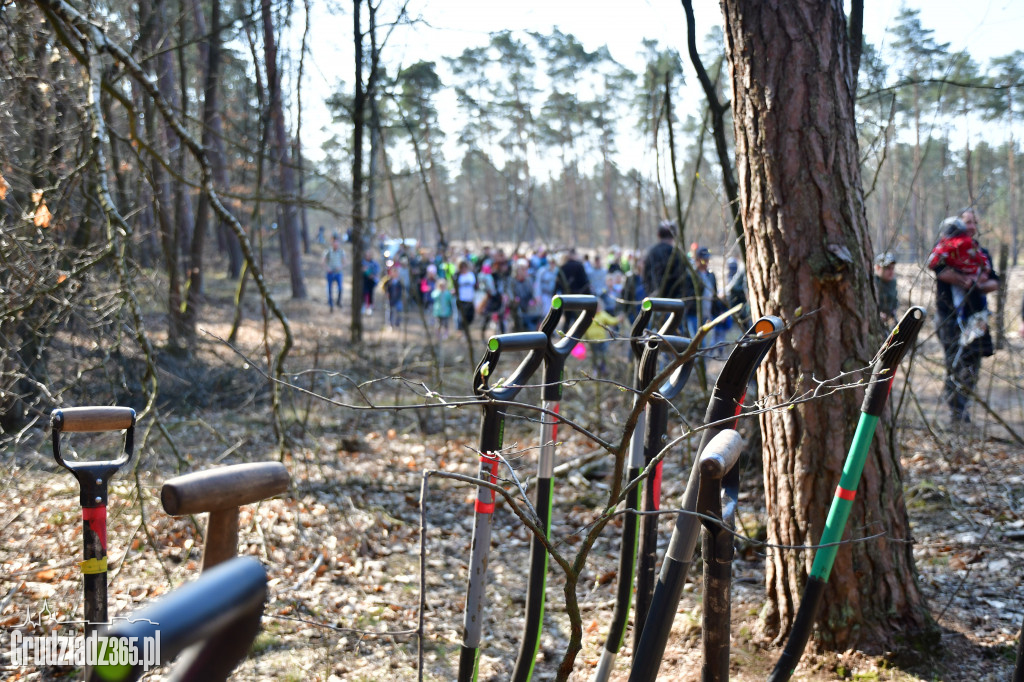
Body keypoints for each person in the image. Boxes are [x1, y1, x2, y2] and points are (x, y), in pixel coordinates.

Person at [927, 208, 999, 425]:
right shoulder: (946, 247)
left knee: (972, 363)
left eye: (974, 222)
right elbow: (938, 269)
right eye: (966, 221)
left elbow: (994, 281)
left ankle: (964, 409)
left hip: (976, 317)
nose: (970, 226)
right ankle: (955, 413)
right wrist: (961, 279)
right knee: (954, 362)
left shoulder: (981, 252)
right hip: (948, 316)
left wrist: (979, 284)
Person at [873, 252, 898, 326]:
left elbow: (895, 301)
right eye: (887, 268)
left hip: (889, 321)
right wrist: (878, 314)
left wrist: (893, 313)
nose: (891, 271)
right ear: (877, 268)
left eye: (892, 268)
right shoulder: (874, 283)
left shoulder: (892, 282)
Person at [323, 236, 345, 312]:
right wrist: (327, 268)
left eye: (337, 242)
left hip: (338, 273)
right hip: (330, 273)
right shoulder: (328, 252)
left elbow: (344, 262)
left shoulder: (341, 252)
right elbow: (323, 262)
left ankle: (338, 301)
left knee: (340, 288)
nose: (335, 244)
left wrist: (340, 267)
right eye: (334, 242)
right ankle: (331, 304)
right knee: (329, 289)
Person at [455, 260, 477, 331]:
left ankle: (466, 328)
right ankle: (461, 330)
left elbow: (474, 284)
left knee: (470, 315)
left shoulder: (471, 275)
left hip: (470, 298)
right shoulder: (457, 276)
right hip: (461, 299)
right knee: (462, 316)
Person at [360, 251, 381, 316]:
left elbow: (377, 271)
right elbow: (362, 270)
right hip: (364, 280)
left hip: (372, 281)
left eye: (369, 255)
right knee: (365, 293)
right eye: (367, 255)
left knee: (370, 293)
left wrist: (372, 275)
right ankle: (364, 305)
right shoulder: (363, 262)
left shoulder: (374, 263)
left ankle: (370, 307)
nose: (368, 257)